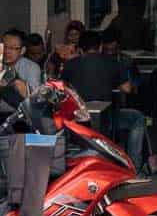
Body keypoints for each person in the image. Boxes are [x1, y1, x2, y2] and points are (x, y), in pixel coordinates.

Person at [64, 31, 150, 171]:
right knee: (137, 118)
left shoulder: (69, 65)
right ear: (100, 47)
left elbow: (64, 90)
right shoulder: (112, 62)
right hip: (106, 120)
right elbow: (127, 89)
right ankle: (134, 168)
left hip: (77, 122)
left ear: (80, 49)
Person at [0, 29, 42, 115]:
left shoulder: (32, 67)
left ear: (22, 50)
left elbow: (35, 100)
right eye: (4, 47)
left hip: (21, 116)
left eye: (13, 48)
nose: (7, 51)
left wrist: (16, 84)